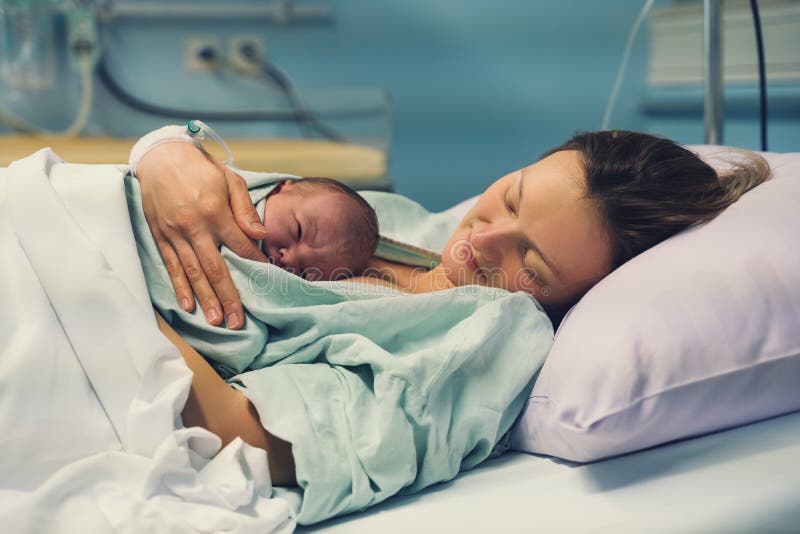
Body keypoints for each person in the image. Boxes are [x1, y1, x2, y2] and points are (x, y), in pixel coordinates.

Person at [134, 129, 769, 519]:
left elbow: (239, 434)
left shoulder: (480, 342)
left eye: (533, 261)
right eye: (513, 196)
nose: (483, 239)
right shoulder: (399, 222)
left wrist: (115, 287)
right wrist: (164, 152)